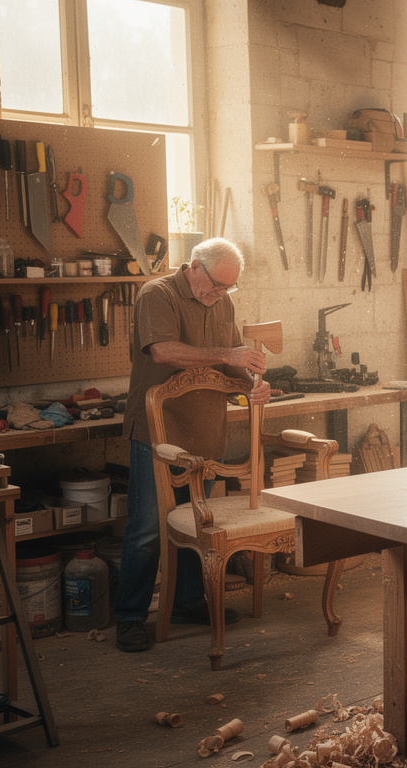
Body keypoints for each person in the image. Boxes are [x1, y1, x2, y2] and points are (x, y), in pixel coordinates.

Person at [114, 238, 272, 653]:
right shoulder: (157, 294)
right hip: (160, 432)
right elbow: (163, 351)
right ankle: (130, 617)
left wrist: (252, 387)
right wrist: (229, 353)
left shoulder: (222, 302)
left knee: (194, 523)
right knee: (149, 527)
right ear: (195, 267)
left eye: (228, 289)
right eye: (217, 285)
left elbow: (229, 364)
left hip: (205, 432)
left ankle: (186, 601)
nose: (220, 295)